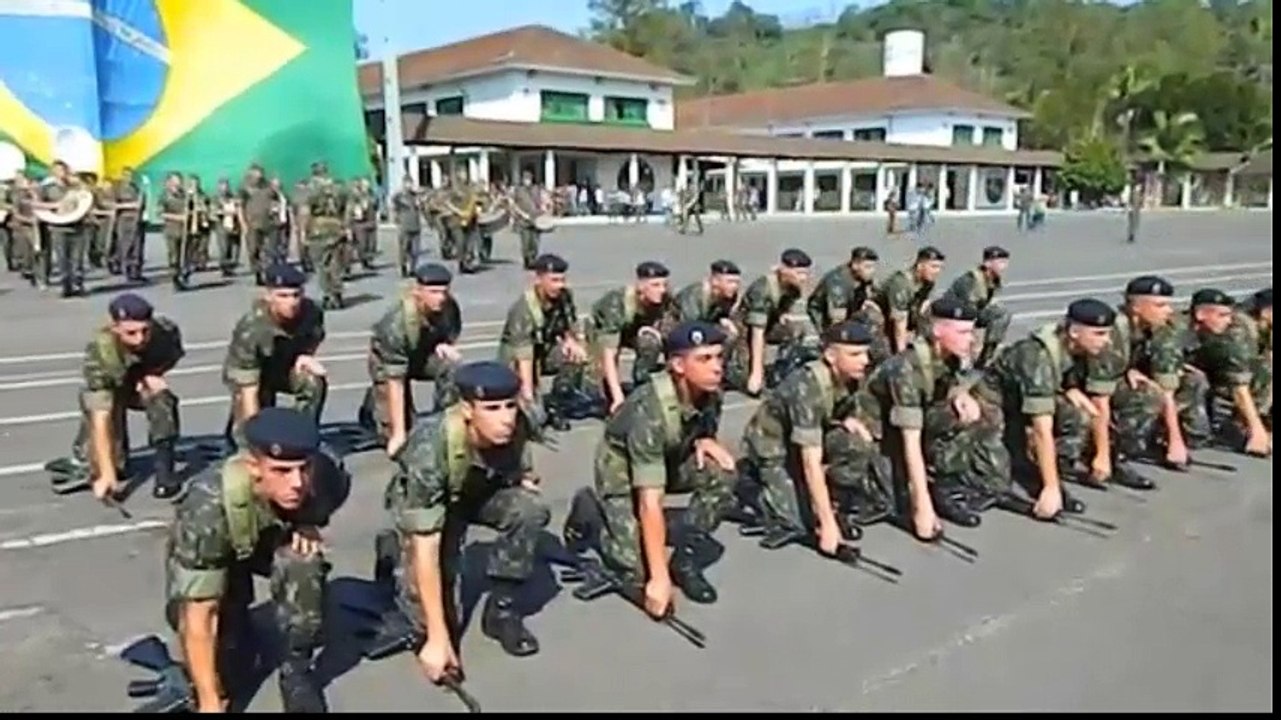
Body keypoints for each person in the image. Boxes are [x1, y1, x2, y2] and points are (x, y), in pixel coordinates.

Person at [164, 407, 348, 713]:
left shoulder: (326, 475)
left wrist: (307, 522)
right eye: (281, 471)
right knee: (224, 661)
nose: (297, 483)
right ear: (253, 466)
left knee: (302, 562)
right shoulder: (207, 506)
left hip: (269, 539)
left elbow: (324, 497)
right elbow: (201, 613)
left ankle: (297, 671)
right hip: (220, 546)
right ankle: (237, 626)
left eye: (303, 468)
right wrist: (210, 702)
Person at [381, 361, 551, 680]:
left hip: (479, 491)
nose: (505, 418)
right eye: (492, 408)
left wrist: (521, 475)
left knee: (529, 509)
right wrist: (437, 637)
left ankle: (501, 610)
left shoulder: (524, 419)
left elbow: (524, 447)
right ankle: (391, 552)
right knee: (432, 621)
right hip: (430, 506)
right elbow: (426, 543)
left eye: (509, 406)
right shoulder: (431, 446)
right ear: (468, 410)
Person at [564, 322, 737, 616]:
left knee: (724, 474)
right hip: (621, 467)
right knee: (633, 566)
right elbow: (650, 501)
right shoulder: (650, 410)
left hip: (667, 455)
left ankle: (685, 561)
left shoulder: (711, 392)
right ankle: (590, 512)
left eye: (719, 357)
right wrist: (658, 579)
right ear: (678, 366)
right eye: (705, 359)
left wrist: (706, 440)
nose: (717, 367)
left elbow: (702, 427)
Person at [866, 297, 1009, 532]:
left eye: (971, 332)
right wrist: (923, 508)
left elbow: (947, 384)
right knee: (887, 496)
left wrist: (960, 395)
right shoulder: (907, 369)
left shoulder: (948, 356)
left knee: (978, 412)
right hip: (878, 431)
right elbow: (910, 440)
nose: (971, 339)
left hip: (912, 418)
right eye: (963, 332)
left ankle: (946, 482)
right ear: (938, 331)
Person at [741, 320, 883, 555]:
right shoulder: (806, 386)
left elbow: (839, 406)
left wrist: (846, 419)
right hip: (772, 444)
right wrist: (826, 526)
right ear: (830, 356)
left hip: (810, 433)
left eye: (865, 353)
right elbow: (811, 462)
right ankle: (752, 485)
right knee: (795, 522)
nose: (865, 361)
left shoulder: (853, 376)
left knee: (857, 446)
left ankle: (835, 507)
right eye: (855, 354)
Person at [975, 299, 1116, 520]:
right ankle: (1036, 481)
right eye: (1099, 333)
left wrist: (1070, 389)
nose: (1106, 341)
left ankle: (1045, 473)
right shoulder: (1038, 356)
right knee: (995, 478)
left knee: (1078, 415)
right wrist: (1051, 490)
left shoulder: (1074, 347)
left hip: (1025, 402)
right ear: (1075, 332)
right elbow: (1042, 428)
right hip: (994, 404)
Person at [49, 294, 185, 500]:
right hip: (112, 388)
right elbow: (100, 414)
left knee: (162, 399)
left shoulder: (166, 333)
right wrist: (107, 474)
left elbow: (170, 356)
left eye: (145, 331)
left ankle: (165, 472)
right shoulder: (100, 352)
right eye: (131, 333)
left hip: (140, 381)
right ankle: (97, 459)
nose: (139, 339)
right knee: (111, 464)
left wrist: (150, 373)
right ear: (115, 328)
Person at [1083, 276, 1199, 485]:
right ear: (1136, 307)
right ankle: (1111, 455)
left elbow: (1167, 386)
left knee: (1185, 380)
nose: (1168, 310)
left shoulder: (1157, 327)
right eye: (1160, 305)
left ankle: (1153, 438)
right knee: (1146, 396)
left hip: (1105, 380)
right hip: (1077, 388)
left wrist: (1175, 440)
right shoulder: (1114, 333)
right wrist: (1102, 455)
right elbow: (1099, 397)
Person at [358, 263, 463, 455]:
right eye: (433, 292)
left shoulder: (449, 307)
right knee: (402, 434)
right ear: (417, 291)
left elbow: (451, 331)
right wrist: (398, 434)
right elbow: (396, 379)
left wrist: (444, 344)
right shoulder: (396, 322)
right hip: (388, 364)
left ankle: (444, 421)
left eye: (443, 292)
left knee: (452, 367)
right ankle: (373, 404)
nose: (440, 298)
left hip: (423, 355)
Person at [221, 264, 327, 450]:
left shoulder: (312, 312)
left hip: (285, 367)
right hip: (252, 375)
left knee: (313, 382)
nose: (292, 302)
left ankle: (301, 437)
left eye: (296, 295)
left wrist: (305, 356)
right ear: (269, 296)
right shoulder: (252, 328)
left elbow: (314, 336)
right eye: (283, 296)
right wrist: (255, 442)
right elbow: (249, 389)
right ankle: (239, 438)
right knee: (252, 427)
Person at [497, 253, 593, 429]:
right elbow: (524, 356)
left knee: (575, 356)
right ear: (538, 280)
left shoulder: (564, 296)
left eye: (562, 280)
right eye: (554, 280)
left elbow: (569, 322)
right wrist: (528, 395)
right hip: (517, 359)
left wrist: (572, 341)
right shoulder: (523, 310)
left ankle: (559, 403)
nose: (560, 285)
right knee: (535, 418)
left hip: (544, 350)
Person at [1182, 288, 1272, 456]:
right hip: (1193, 373)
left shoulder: (1260, 325)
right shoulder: (1238, 334)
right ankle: (1241, 424)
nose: (1229, 320)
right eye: (1223, 316)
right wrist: (1256, 428)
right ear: (1267, 312)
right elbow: (1239, 385)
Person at [589, 261, 676, 413]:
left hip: (632, 331)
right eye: (655, 285)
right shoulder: (617, 304)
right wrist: (617, 397)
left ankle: (642, 385)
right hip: (599, 333)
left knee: (650, 341)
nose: (661, 290)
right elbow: (609, 354)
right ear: (641, 286)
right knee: (594, 384)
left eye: (664, 285)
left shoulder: (665, 298)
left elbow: (673, 334)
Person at [728, 248, 815, 395]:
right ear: (784, 270)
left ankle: (781, 370)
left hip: (768, 323)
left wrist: (782, 315)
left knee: (796, 330)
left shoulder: (794, 287)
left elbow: (784, 306)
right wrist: (756, 373)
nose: (803, 278)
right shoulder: (762, 290)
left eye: (805, 273)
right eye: (799, 273)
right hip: (746, 330)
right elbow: (757, 334)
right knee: (748, 383)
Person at [942, 246, 1012, 369]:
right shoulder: (971, 281)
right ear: (988, 263)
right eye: (1000, 262)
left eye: (1005, 262)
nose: (1004, 266)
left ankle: (986, 356)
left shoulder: (992, 280)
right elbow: (967, 313)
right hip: (952, 317)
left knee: (1001, 313)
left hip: (970, 314)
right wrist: (973, 345)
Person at [874, 246, 946, 357]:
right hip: (883, 318)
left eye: (940, 268)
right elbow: (899, 321)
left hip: (903, 315)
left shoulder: (928, 283)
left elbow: (922, 308)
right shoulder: (901, 283)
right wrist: (901, 354)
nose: (937, 271)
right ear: (920, 266)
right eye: (933, 267)